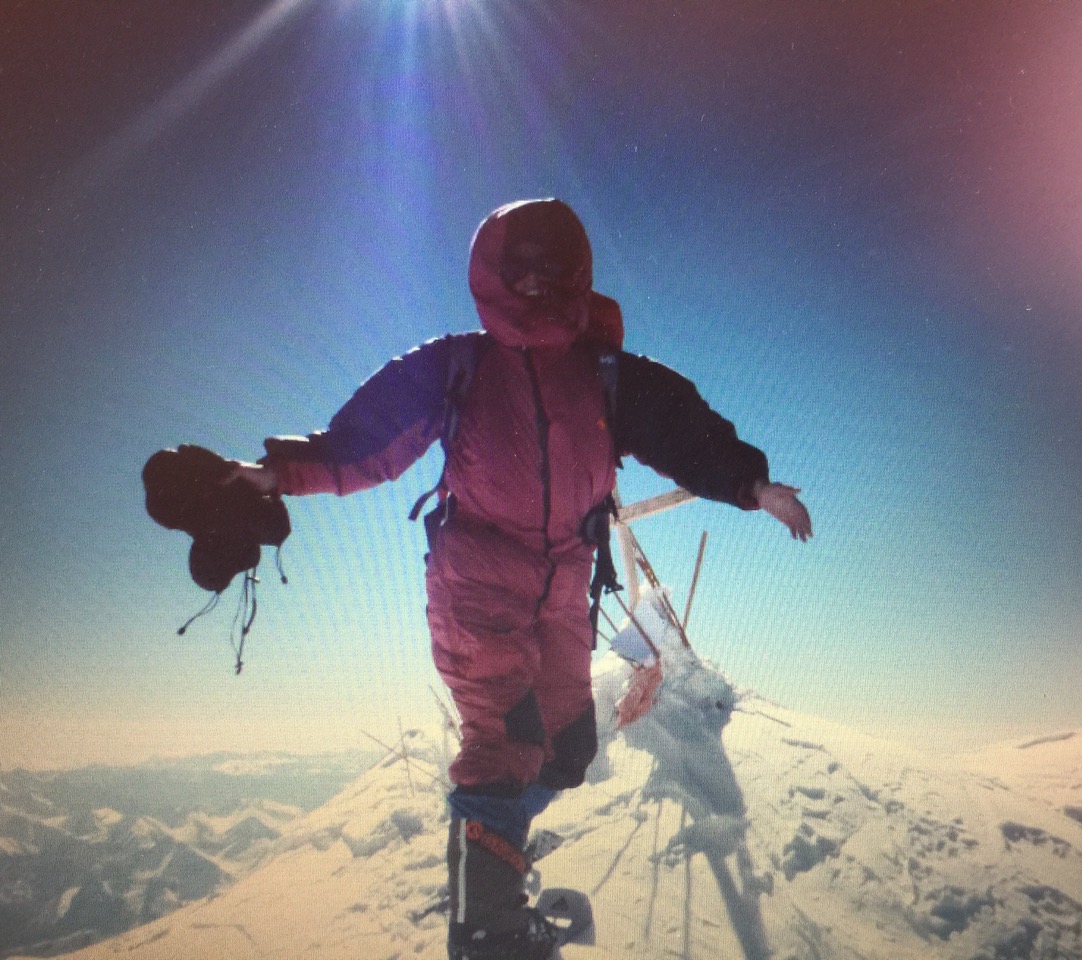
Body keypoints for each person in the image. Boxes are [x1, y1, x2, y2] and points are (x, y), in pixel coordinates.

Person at [229, 198, 810, 960]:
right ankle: (489, 932)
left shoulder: (605, 376)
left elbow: (683, 429)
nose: (534, 283)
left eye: (550, 267)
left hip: (565, 584)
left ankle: (492, 856)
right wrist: (276, 475)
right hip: (477, 582)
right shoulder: (458, 366)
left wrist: (752, 486)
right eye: (520, 266)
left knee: (566, 748)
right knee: (503, 744)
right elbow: (361, 445)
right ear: (494, 272)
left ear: (575, 274)